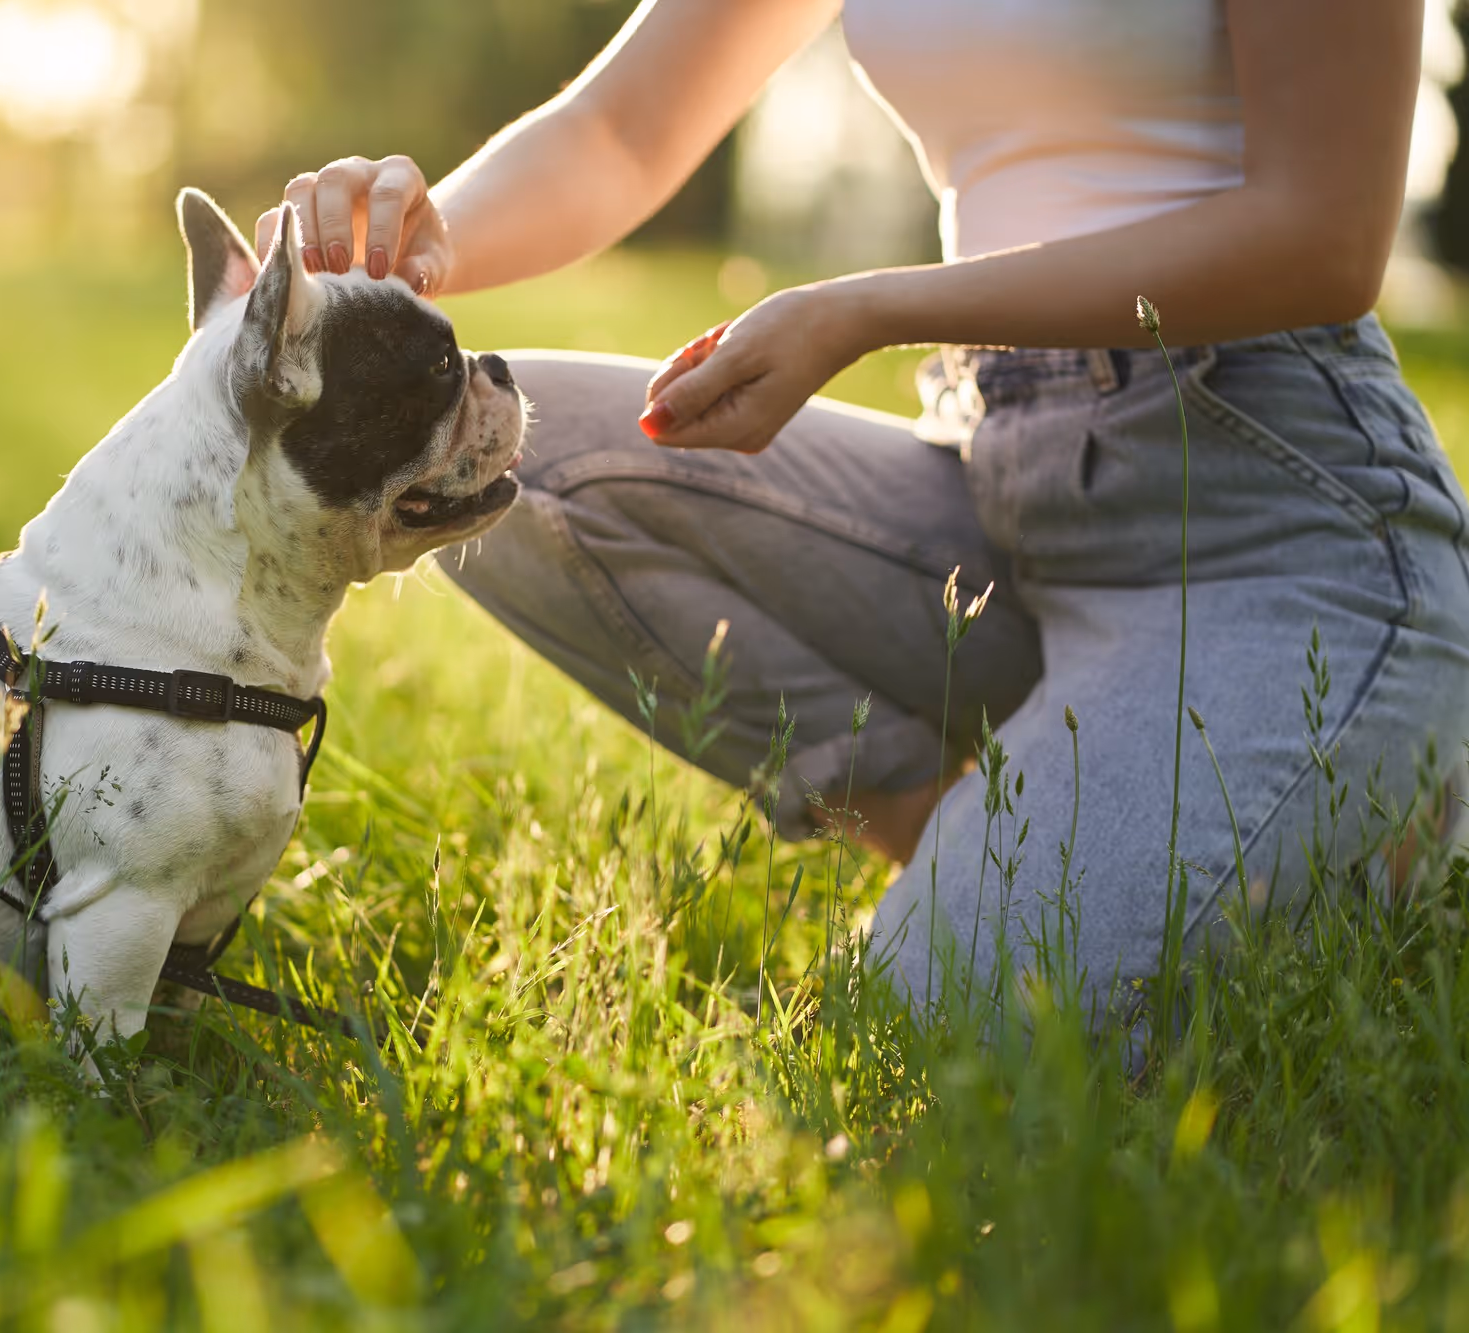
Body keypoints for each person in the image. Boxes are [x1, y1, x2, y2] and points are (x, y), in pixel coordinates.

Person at [261, 0, 1469, 1013]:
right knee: (523, 471)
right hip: (1002, 476)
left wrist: (870, 308)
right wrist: (407, 248)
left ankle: (1379, 816)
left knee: (926, 1031)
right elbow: (621, 133)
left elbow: (1322, 234)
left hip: (1275, 524)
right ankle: (972, 840)